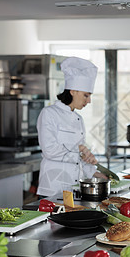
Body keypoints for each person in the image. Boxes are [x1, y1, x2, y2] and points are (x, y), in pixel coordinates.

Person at [36, 57, 107, 197]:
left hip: (74, 189)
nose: (89, 101)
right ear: (73, 91)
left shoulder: (78, 119)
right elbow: (49, 150)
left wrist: (95, 172)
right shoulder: (49, 113)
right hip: (53, 187)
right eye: (86, 95)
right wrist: (79, 149)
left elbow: (78, 158)